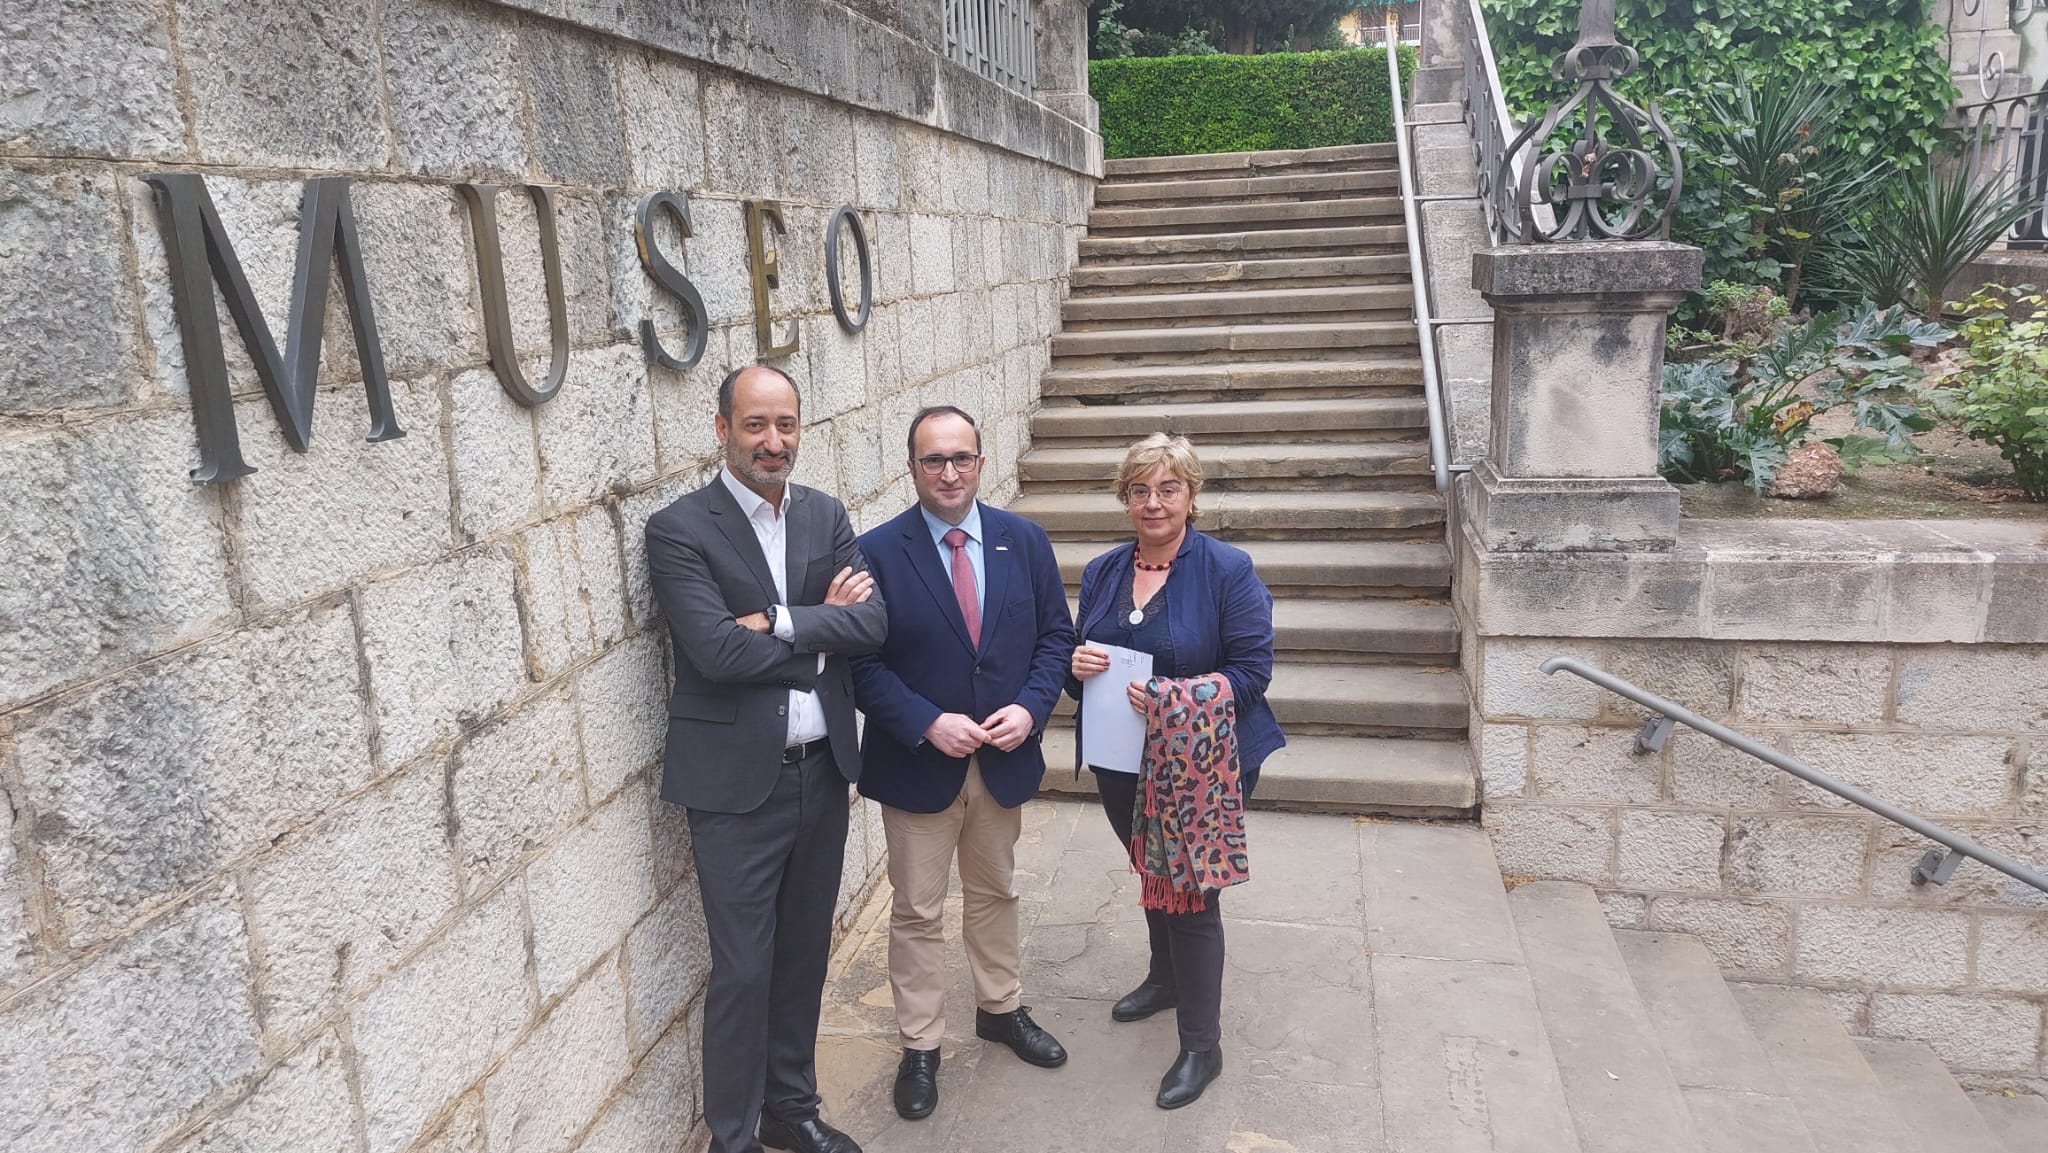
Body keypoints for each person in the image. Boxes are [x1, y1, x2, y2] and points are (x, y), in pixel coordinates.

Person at [645, 365, 888, 1153]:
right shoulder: (680, 527)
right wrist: (820, 634)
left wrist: (777, 622)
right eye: (755, 425)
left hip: (823, 770)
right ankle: (734, 1135)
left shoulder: (825, 515)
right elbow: (714, 651)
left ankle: (792, 1107)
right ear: (722, 430)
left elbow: (875, 623)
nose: (772, 441)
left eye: (784, 424)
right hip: (736, 790)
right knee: (744, 969)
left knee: (803, 955)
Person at [850, 406, 1077, 1121]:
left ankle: (1000, 1007)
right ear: (911, 467)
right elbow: (857, 663)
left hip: (1003, 759)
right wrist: (925, 720)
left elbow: (1054, 639)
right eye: (932, 460)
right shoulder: (873, 553)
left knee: (995, 891)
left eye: (961, 457)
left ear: (981, 460)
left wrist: (1032, 708)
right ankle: (921, 1043)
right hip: (919, 765)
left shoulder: (1024, 541)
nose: (948, 472)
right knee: (916, 910)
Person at [1066, 432, 1284, 1110]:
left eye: (1167, 488)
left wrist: (1171, 697)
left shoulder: (1226, 569)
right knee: (1150, 867)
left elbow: (1252, 672)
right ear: (1124, 498)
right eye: (1139, 489)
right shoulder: (1104, 570)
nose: (1153, 502)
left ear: (1191, 495)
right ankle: (1165, 978)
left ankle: (1201, 1043)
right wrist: (1076, 668)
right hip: (1121, 758)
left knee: (1192, 892)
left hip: (1203, 764)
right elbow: (1084, 662)